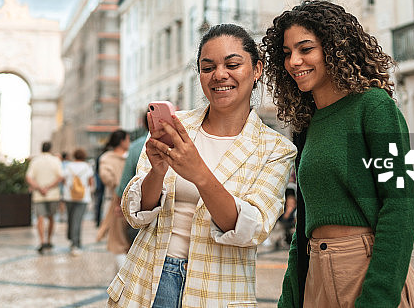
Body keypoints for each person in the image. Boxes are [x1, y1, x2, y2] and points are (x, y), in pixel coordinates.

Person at [108, 24, 296, 308]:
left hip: (217, 292)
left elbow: (251, 230)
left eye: (232, 64)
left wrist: (200, 175)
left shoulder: (275, 148)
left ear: (257, 69)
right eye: (207, 68)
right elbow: (136, 215)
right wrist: (157, 173)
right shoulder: (176, 127)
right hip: (145, 280)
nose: (219, 75)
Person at [263, 1, 414, 307]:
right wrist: (290, 297)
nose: (294, 61)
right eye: (287, 53)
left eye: (305, 49)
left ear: (334, 48)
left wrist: (377, 298)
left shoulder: (374, 108)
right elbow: (304, 223)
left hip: (364, 273)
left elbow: (401, 206)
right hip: (316, 276)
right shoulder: (307, 125)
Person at [96, 129, 131, 270]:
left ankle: (123, 279)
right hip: (133, 201)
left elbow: (106, 177)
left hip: (113, 200)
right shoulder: (133, 155)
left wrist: (116, 185)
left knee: (117, 242)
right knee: (127, 242)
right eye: (128, 139)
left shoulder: (106, 158)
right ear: (122, 141)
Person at [26, 142, 64, 253]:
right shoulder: (56, 160)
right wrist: (48, 187)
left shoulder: (35, 161)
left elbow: (28, 177)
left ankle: (42, 241)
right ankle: (49, 240)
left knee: (40, 218)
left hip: (39, 194)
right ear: (50, 149)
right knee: (51, 217)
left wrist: (39, 188)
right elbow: (60, 177)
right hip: (53, 194)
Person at [63, 148, 95, 255]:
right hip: (83, 197)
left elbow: (64, 180)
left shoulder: (68, 166)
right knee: (77, 220)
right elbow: (91, 182)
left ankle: (71, 238)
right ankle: (76, 244)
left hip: (69, 196)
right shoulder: (87, 167)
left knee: (71, 218)